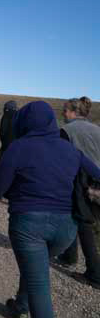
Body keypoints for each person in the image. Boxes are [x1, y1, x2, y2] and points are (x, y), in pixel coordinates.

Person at [0, 101, 100, 318]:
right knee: (35, 268)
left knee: (39, 284)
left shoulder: (19, 147)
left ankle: (28, 313)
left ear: (24, 122)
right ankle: (20, 308)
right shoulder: (71, 150)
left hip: (29, 225)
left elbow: (0, 183)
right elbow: (96, 174)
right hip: (66, 229)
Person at [55, 97, 100, 290]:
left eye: (65, 111)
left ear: (74, 112)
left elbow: (61, 157)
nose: (63, 114)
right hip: (97, 179)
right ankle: (70, 255)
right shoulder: (97, 129)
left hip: (80, 179)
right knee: (82, 218)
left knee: (81, 221)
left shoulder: (67, 131)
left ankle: (94, 273)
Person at [0, 100, 18, 168]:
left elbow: (2, 132)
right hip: (18, 148)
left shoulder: (6, 116)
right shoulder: (19, 116)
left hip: (6, 147)